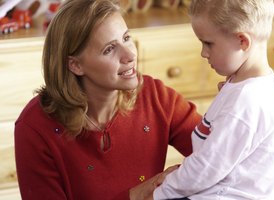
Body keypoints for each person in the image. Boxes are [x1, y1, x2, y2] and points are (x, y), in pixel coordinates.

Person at [14, 0, 201, 199]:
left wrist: (233, 99)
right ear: (75, 65)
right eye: (109, 49)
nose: (130, 54)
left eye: (126, 38)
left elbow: (220, 154)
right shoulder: (34, 128)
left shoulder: (155, 97)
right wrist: (138, 194)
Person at [130, 0, 274, 199]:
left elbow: (207, 167)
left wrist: (161, 192)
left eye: (208, 43)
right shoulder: (246, 88)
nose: (203, 53)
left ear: (242, 41)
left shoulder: (246, 101)